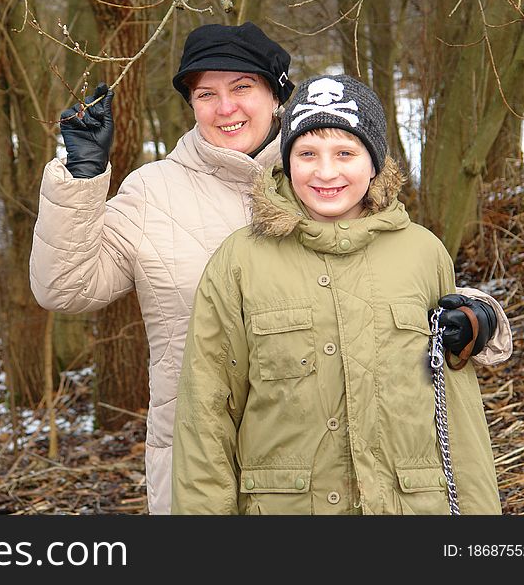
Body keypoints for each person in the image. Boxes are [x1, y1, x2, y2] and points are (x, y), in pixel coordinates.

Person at [29, 23, 512, 515]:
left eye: (243, 88)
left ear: (278, 95)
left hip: (334, 466)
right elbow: (65, 287)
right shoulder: (154, 193)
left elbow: (395, 281)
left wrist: (479, 316)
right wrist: (80, 178)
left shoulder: (329, 174)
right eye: (205, 94)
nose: (225, 107)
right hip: (197, 459)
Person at [171, 74, 504, 515]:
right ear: (287, 162)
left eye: (345, 153)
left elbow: (457, 413)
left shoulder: (423, 253)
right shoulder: (239, 261)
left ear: (375, 161)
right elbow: (206, 414)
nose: (326, 172)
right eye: (307, 153)